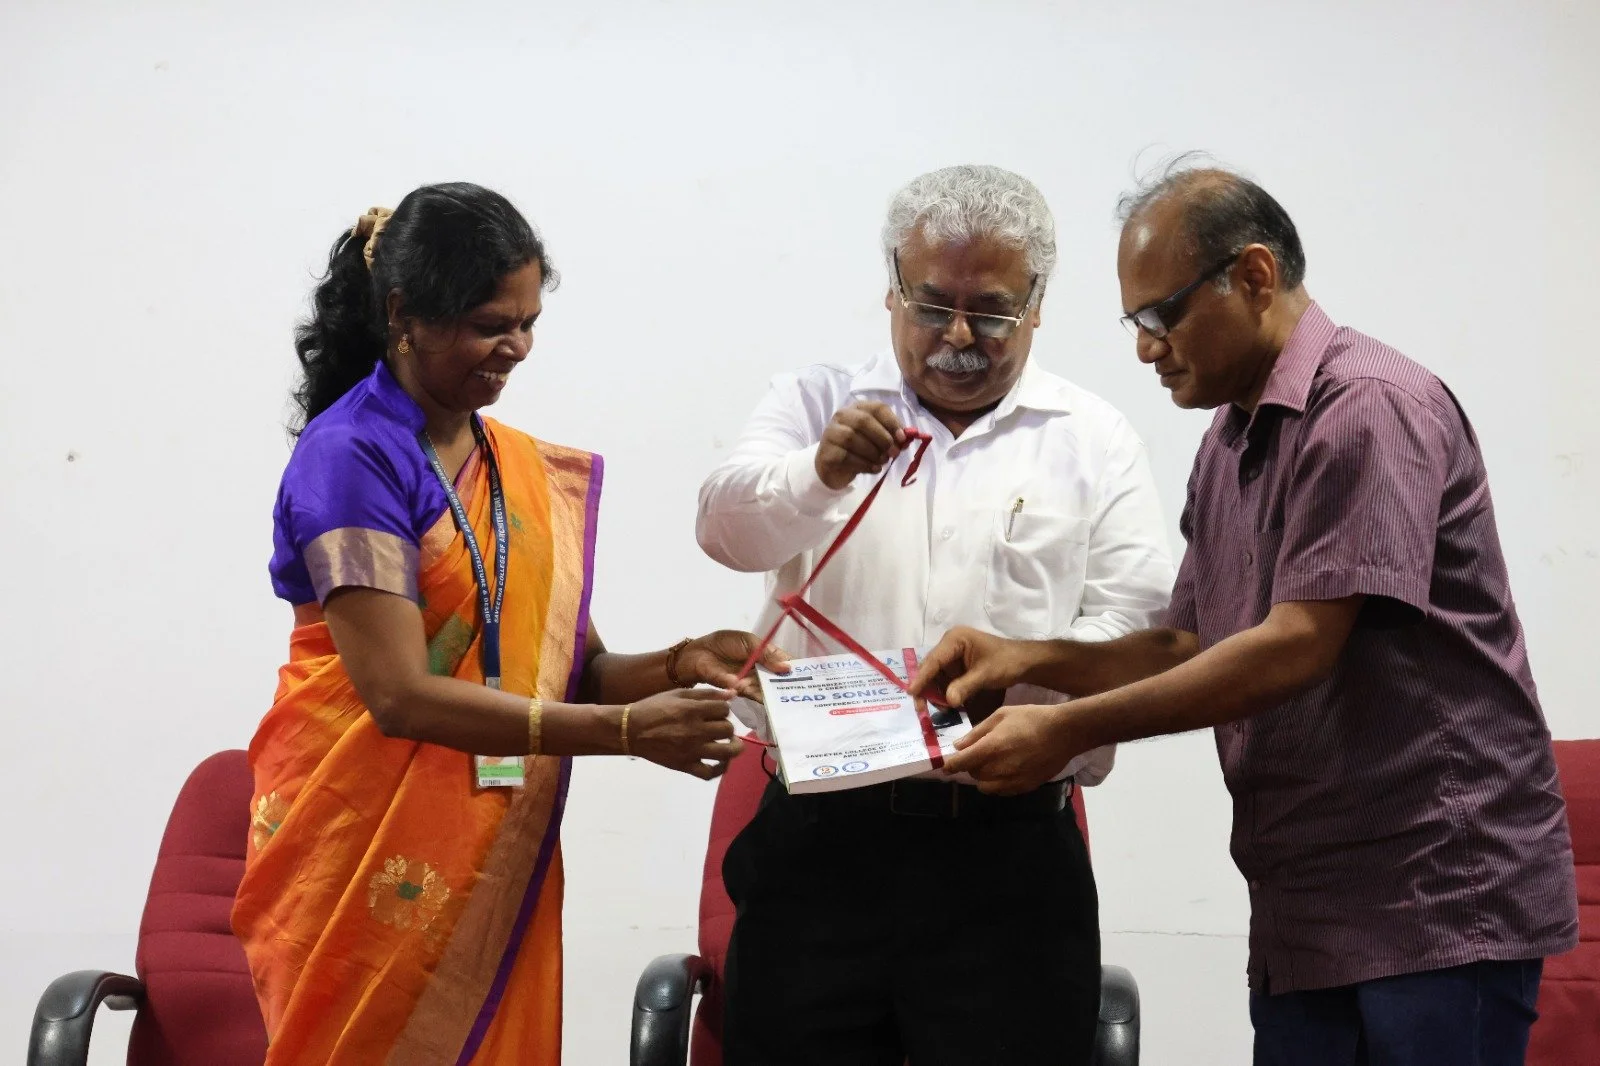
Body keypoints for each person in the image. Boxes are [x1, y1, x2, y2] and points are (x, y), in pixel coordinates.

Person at [912, 161, 1579, 1066]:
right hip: (1306, 901)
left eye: (1161, 316)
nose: (1146, 350)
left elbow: (1296, 646)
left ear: (1254, 276)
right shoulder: (1229, 442)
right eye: (1135, 324)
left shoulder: (1369, 408)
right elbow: (1182, 643)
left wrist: (1067, 727)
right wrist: (1023, 657)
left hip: (1432, 894)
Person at [231, 182, 785, 1066]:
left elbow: (578, 672)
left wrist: (685, 661)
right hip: (358, 841)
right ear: (403, 314)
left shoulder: (506, 463)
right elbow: (399, 697)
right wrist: (625, 735)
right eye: (491, 325)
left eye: (528, 323)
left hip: (489, 846)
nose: (517, 348)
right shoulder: (351, 457)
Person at [696, 164, 1175, 1066]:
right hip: (821, 851)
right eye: (931, 305)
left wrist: (1027, 663)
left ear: (1037, 305)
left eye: (990, 312)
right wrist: (818, 473)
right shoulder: (814, 403)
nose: (958, 336)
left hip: (1009, 857)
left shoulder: (1093, 438)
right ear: (891, 286)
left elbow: (1142, 634)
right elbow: (724, 531)